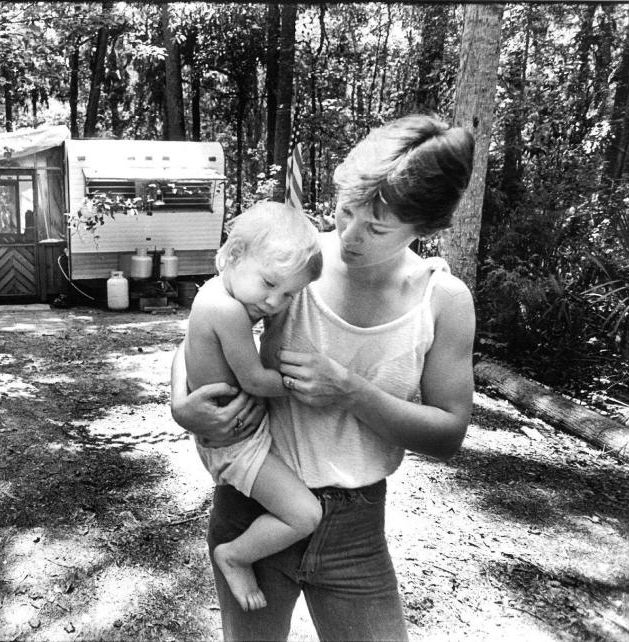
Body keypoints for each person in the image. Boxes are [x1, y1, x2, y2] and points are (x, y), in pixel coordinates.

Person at [170, 114, 477, 641]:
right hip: (252, 511)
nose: (350, 235)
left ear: (424, 228)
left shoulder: (443, 301)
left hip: (355, 530)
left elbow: (448, 434)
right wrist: (181, 404)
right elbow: (204, 331)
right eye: (346, 210)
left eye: (377, 227)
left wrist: (350, 391)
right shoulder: (297, 264)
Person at [184, 201, 324, 612]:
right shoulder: (227, 311)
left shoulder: (213, 292)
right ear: (233, 255)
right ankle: (235, 555)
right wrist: (304, 383)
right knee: (304, 515)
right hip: (237, 446)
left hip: (233, 435)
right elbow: (254, 380)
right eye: (268, 284)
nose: (274, 303)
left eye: (288, 295)